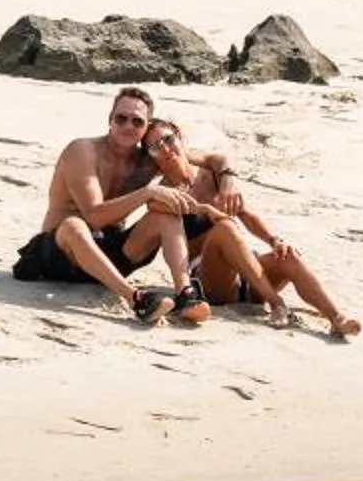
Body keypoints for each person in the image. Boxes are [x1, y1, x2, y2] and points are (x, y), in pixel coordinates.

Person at [11, 86, 216, 326]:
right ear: (110, 121)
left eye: (137, 122)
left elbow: (210, 159)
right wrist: (148, 192)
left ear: (146, 128)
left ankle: (186, 295)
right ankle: (137, 299)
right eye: (121, 119)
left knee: (165, 214)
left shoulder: (149, 158)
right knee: (75, 225)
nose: (128, 126)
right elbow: (94, 216)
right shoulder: (83, 151)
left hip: (109, 258)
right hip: (61, 255)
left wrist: (228, 176)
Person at [139, 120, 359, 338]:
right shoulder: (161, 192)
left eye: (168, 139)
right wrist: (207, 209)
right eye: (156, 147)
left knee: (288, 256)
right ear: (150, 155)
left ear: (179, 136)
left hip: (246, 272)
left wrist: (274, 240)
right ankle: (276, 303)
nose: (166, 149)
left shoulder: (212, 174)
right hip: (210, 280)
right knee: (224, 227)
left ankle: (336, 318)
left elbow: (246, 214)